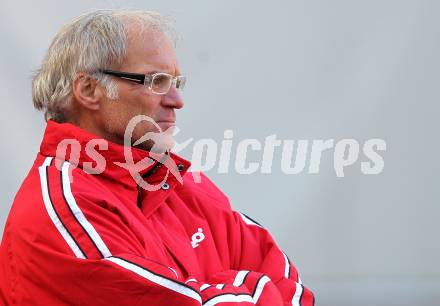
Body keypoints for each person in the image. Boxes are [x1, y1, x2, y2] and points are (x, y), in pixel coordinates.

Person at [0, 10, 314, 306]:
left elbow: (294, 289)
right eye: (156, 81)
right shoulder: (61, 209)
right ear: (88, 89)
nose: (177, 101)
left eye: (176, 83)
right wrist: (247, 287)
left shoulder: (183, 185)